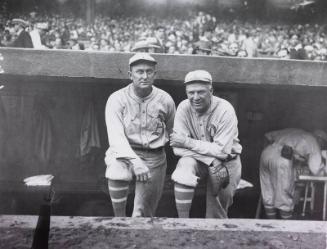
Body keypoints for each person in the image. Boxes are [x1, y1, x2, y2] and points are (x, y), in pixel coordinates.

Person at [104, 53, 176, 217]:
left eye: (149, 71)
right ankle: (119, 220)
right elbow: (116, 138)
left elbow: (173, 133)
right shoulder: (117, 98)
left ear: (155, 74)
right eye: (139, 71)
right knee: (117, 170)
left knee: (142, 214)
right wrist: (135, 161)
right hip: (124, 153)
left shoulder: (165, 99)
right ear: (130, 75)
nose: (144, 76)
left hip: (154, 157)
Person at [170, 70, 242, 218]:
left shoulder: (225, 109)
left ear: (211, 91)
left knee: (216, 214)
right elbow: (177, 148)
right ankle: (183, 224)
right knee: (184, 166)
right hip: (205, 161)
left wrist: (187, 142)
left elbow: (222, 152)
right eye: (191, 92)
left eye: (200, 92)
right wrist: (210, 160)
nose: (195, 97)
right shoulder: (183, 107)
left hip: (227, 162)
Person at [259, 128, 327, 219]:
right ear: (320, 139)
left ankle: (271, 224)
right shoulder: (313, 141)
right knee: (284, 196)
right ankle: (287, 227)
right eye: (323, 143)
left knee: (268, 192)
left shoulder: (295, 131)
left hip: (266, 153)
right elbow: (317, 170)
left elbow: (266, 136)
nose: (322, 146)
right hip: (283, 157)